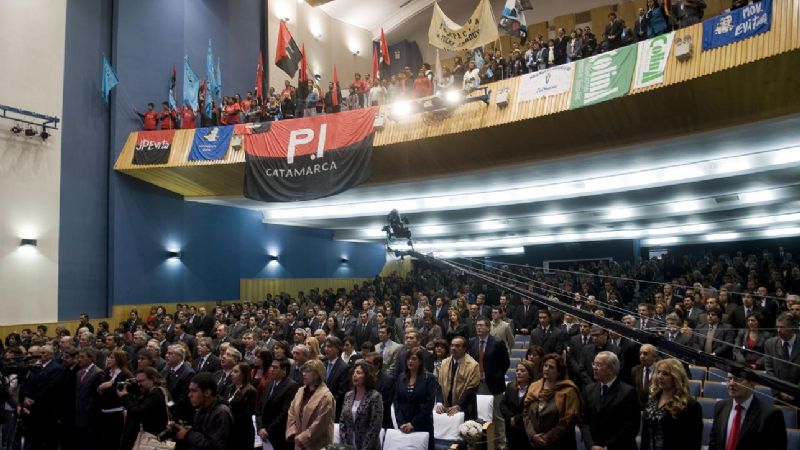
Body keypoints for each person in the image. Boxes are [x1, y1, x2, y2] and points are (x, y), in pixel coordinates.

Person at [708, 371, 787, 450]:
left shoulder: (771, 415)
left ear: (752, 383)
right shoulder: (720, 407)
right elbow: (713, 443)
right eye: (729, 379)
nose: (731, 383)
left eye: (738, 379)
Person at [580, 351, 640, 450]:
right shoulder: (589, 389)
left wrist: (607, 447)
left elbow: (631, 426)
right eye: (594, 363)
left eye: (599, 365)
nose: (594, 367)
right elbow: (584, 422)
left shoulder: (628, 392)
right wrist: (591, 445)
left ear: (611, 369)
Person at [639, 358, 703, 450]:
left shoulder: (690, 406)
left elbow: (694, 443)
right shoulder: (652, 399)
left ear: (676, 377)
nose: (660, 376)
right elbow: (645, 435)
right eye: (658, 372)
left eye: (665, 374)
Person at [523, 353, 582, 450]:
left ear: (559, 372)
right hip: (535, 442)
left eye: (551, 367)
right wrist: (533, 435)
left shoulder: (568, 390)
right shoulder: (534, 386)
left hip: (560, 444)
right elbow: (526, 413)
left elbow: (568, 420)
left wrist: (547, 437)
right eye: (545, 366)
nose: (546, 369)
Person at [469, 317, 510, 447]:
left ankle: (501, 443)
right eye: (477, 325)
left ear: (488, 327)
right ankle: (483, 443)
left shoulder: (497, 342)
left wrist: (496, 376)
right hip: (478, 383)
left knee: (497, 415)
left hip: (494, 384)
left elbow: (505, 363)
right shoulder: (472, 342)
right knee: (480, 414)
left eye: (481, 325)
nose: (478, 328)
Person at [20, 344, 65, 450]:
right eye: (40, 352)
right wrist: (26, 397)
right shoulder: (36, 366)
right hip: (32, 408)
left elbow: (50, 388)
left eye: (43, 352)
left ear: (51, 355)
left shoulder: (57, 368)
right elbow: (27, 383)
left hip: (46, 408)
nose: (41, 355)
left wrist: (34, 399)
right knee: (34, 438)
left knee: (49, 438)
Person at [173, 372, 234, 450]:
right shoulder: (202, 408)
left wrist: (188, 435)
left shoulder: (222, 413)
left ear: (207, 393)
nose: (189, 395)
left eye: (194, 391)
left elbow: (215, 447)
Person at [393, 347, 436, 449]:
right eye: (408, 359)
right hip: (404, 425)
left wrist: (413, 424)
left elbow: (429, 404)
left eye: (413, 359)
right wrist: (401, 422)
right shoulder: (401, 377)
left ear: (420, 361)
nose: (410, 361)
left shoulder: (429, 378)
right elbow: (396, 401)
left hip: (422, 424)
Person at [287, 359, 335, 450]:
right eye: (303, 371)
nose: (304, 374)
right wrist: (293, 432)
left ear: (318, 374)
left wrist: (303, 437)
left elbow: (321, 423)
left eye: (308, 371)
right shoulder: (300, 391)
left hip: (316, 443)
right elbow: (291, 412)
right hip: (298, 441)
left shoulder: (326, 396)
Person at [118, 366, 169, 450]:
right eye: (137, 381)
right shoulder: (147, 393)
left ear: (152, 379)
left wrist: (125, 397)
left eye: (141, 381)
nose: (139, 385)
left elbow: (138, 412)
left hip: (149, 441)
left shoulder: (156, 394)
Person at [339, 360, 383, 450]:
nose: (354, 375)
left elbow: (375, 426)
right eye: (354, 373)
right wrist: (346, 445)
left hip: (368, 446)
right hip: (349, 445)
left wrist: (365, 448)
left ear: (367, 376)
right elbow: (342, 421)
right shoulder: (348, 395)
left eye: (359, 373)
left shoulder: (375, 396)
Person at [259, 356, 300, 450]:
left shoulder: (291, 386)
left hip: (278, 434)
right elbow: (260, 408)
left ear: (284, 369)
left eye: (275, 367)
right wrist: (260, 428)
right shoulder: (269, 384)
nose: (271, 369)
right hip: (263, 433)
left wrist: (268, 430)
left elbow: (284, 413)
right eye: (271, 367)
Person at [436, 336, 480, 420]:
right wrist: (439, 402)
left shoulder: (473, 365)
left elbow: (471, 389)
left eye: (457, 346)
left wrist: (459, 406)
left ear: (464, 348)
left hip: (465, 409)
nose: (453, 348)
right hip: (446, 408)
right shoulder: (444, 362)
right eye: (452, 345)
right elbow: (439, 385)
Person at [95, 349, 131, 450]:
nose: (108, 360)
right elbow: (99, 389)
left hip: (117, 412)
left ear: (119, 360)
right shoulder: (107, 372)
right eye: (108, 357)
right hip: (104, 410)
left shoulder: (124, 374)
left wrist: (108, 387)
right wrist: (102, 387)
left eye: (111, 358)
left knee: (113, 441)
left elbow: (119, 393)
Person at [764, 312, 800, 404]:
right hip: (779, 397)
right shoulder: (770, 344)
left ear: (792, 328)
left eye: (782, 327)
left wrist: (795, 392)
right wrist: (779, 392)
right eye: (777, 327)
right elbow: (769, 371)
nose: (778, 330)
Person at [501, 360, 536, 450]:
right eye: (517, 370)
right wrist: (511, 417)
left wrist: (516, 419)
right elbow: (503, 405)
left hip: (526, 429)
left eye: (522, 370)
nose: (519, 373)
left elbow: (531, 410)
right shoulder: (510, 386)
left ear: (530, 374)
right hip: (511, 429)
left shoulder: (535, 389)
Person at [74, 347, 104, 450]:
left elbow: (97, 397)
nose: (79, 359)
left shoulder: (98, 373)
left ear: (91, 358)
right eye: (78, 357)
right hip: (79, 414)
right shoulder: (79, 373)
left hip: (91, 416)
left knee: (91, 444)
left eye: (82, 357)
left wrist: (88, 411)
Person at [225, 362, 256, 450]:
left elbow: (246, 414)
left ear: (243, 374)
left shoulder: (250, 391)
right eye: (232, 371)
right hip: (229, 430)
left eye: (236, 372)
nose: (232, 374)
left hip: (242, 433)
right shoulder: (229, 388)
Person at [632, 344, 658, 410]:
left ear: (654, 356)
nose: (642, 356)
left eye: (645, 353)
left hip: (654, 409)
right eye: (640, 353)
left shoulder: (660, 371)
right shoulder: (635, 370)